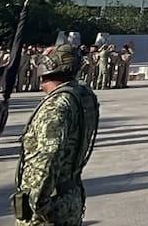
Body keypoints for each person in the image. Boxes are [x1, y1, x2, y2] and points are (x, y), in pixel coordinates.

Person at [13, 45, 99, 226]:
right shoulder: (83, 95)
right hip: (70, 193)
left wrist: (37, 205)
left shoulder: (56, 106)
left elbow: (47, 158)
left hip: (49, 205)